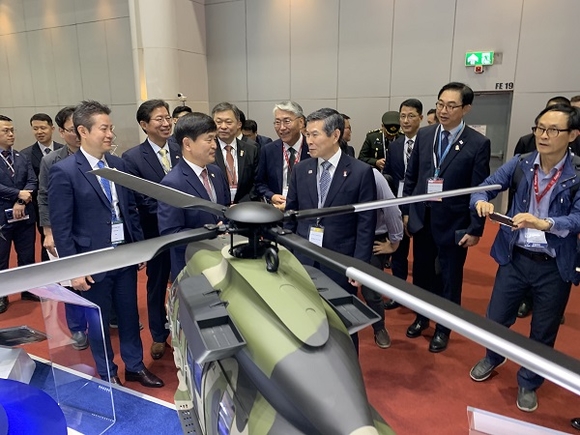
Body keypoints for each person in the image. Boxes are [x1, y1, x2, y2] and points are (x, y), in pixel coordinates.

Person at [469, 104, 580, 413]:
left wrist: (544, 223)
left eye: (553, 130)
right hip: (515, 257)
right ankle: (494, 356)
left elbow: (577, 218)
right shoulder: (521, 163)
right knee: (495, 317)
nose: (543, 135)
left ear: (572, 135)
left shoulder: (577, 173)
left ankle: (529, 381)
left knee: (543, 330)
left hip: (554, 265)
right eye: (540, 128)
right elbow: (483, 187)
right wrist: (481, 201)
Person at [48, 100, 163, 388]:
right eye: (104, 128)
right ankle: (107, 372)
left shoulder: (118, 165)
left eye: (111, 128)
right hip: (91, 260)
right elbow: (62, 226)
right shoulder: (65, 171)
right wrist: (74, 268)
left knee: (128, 315)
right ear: (83, 131)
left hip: (123, 256)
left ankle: (134, 366)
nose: (110, 134)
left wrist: (137, 247)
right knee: (98, 321)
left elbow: (129, 209)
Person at [402, 82, 491, 353]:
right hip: (423, 218)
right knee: (421, 273)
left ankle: (443, 328)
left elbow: (479, 189)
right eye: (440, 104)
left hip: (454, 223)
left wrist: (475, 228)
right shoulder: (425, 135)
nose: (443, 110)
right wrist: (406, 212)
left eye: (451, 106)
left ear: (466, 108)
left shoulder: (477, 143)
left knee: (449, 279)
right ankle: (421, 317)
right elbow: (412, 177)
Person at [285, 108, 376, 351]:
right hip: (304, 259)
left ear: (335, 135)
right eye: (307, 134)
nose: (309, 141)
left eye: (315, 135)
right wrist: (288, 255)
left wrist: (359, 266)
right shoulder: (301, 170)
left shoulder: (360, 172)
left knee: (342, 324)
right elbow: (291, 216)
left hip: (340, 260)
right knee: (305, 319)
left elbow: (366, 223)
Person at [122, 99, 181, 360]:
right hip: (155, 233)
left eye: (168, 117)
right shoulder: (133, 158)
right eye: (159, 119)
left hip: (185, 231)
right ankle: (158, 335)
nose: (166, 123)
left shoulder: (181, 148)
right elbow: (140, 199)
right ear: (144, 125)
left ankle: (186, 331)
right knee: (156, 285)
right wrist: (175, 211)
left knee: (185, 281)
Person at [37, 105, 88, 350]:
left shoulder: (98, 156)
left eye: (81, 129)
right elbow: (43, 197)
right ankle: (77, 328)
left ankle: (110, 317)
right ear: (61, 131)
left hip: (93, 227)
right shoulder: (51, 160)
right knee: (71, 279)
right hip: (64, 228)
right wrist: (48, 232)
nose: (77, 135)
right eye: (71, 130)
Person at [158, 113, 230, 280]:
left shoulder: (216, 173)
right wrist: (210, 234)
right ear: (187, 144)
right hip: (191, 266)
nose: (215, 145)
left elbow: (224, 210)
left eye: (215, 139)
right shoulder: (173, 183)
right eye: (209, 139)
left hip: (221, 262)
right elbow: (171, 232)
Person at [384, 99, 423, 309]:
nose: (405, 121)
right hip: (397, 204)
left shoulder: (427, 143)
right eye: (402, 116)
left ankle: (419, 296)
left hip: (420, 204)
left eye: (411, 116)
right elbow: (388, 175)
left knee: (422, 255)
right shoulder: (395, 145)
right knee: (398, 251)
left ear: (420, 118)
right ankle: (398, 294)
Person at [0, 115, 37, 314]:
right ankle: (2, 294)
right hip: (2, 217)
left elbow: (32, 181)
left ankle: (28, 289)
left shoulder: (21, 156)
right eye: (5, 131)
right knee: (1, 258)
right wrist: (17, 194)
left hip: (24, 214)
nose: (11, 134)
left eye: (12, 130)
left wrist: (21, 201)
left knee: (27, 255)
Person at [362, 168, 403, 348]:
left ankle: (379, 328)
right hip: (342, 237)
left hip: (373, 239)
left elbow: (392, 208)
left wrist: (394, 242)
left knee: (371, 291)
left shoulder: (371, 175)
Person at [20, 113, 64, 263]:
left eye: (43, 128)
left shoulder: (64, 150)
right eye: (35, 128)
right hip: (40, 206)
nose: (39, 132)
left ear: (52, 128)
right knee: (47, 243)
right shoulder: (25, 154)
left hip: (64, 203)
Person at [255, 101, 310, 210]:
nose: (282, 127)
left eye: (287, 121)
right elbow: (259, 183)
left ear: (301, 122)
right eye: (277, 122)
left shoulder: (312, 148)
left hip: (304, 210)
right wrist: (272, 196)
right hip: (277, 210)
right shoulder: (268, 150)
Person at [211, 102, 259, 204]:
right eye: (218, 122)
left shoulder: (251, 149)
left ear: (238, 124)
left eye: (228, 122)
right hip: (217, 207)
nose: (223, 126)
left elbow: (257, 182)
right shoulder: (208, 150)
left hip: (245, 206)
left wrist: (242, 204)